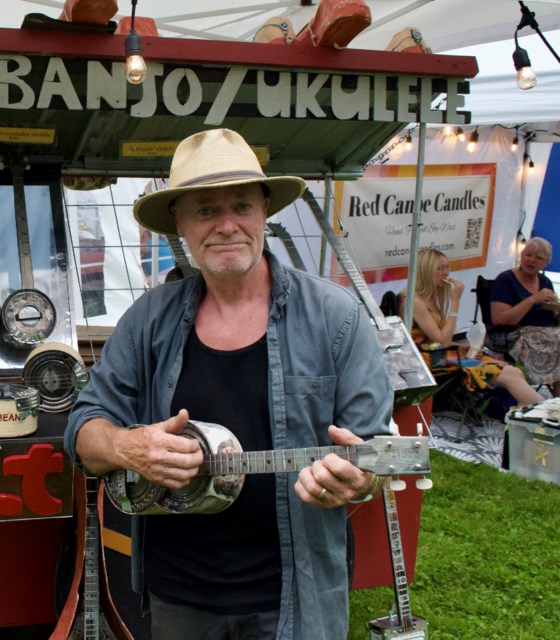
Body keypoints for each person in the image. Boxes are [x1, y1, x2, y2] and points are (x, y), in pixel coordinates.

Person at [64, 128, 393, 640]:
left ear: (265, 208)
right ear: (179, 221)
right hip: (179, 595)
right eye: (204, 210)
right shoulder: (149, 320)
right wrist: (127, 446)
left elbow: (374, 449)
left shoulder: (337, 318)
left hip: (294, 597)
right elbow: (83, 430)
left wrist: (359, 479)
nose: (226, 225)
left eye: (241, 205)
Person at [399, 247, 543, 407]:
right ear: (425, 271)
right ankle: (545, 415)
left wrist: (460, 346)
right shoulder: (413, 300)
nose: (446, 273)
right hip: (424, 361)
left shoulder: (430, 298)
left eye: (447, 267)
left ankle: (534, 412)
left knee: (513, 371)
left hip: (436, 354)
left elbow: (438, 341)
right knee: (508, 374)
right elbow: (441, 341)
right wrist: (455, 303)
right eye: (440, 268)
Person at [490, 237, 560, 398]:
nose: (532, 260)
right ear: (521, 255)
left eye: (539, 258)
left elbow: (552, 315)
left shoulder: (544, 281)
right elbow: (500, 319)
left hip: (548, 335)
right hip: (517, 335)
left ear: (546, 262)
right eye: (528, 255)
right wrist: (532, 299)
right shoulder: (506, 279)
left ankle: (557, 402)